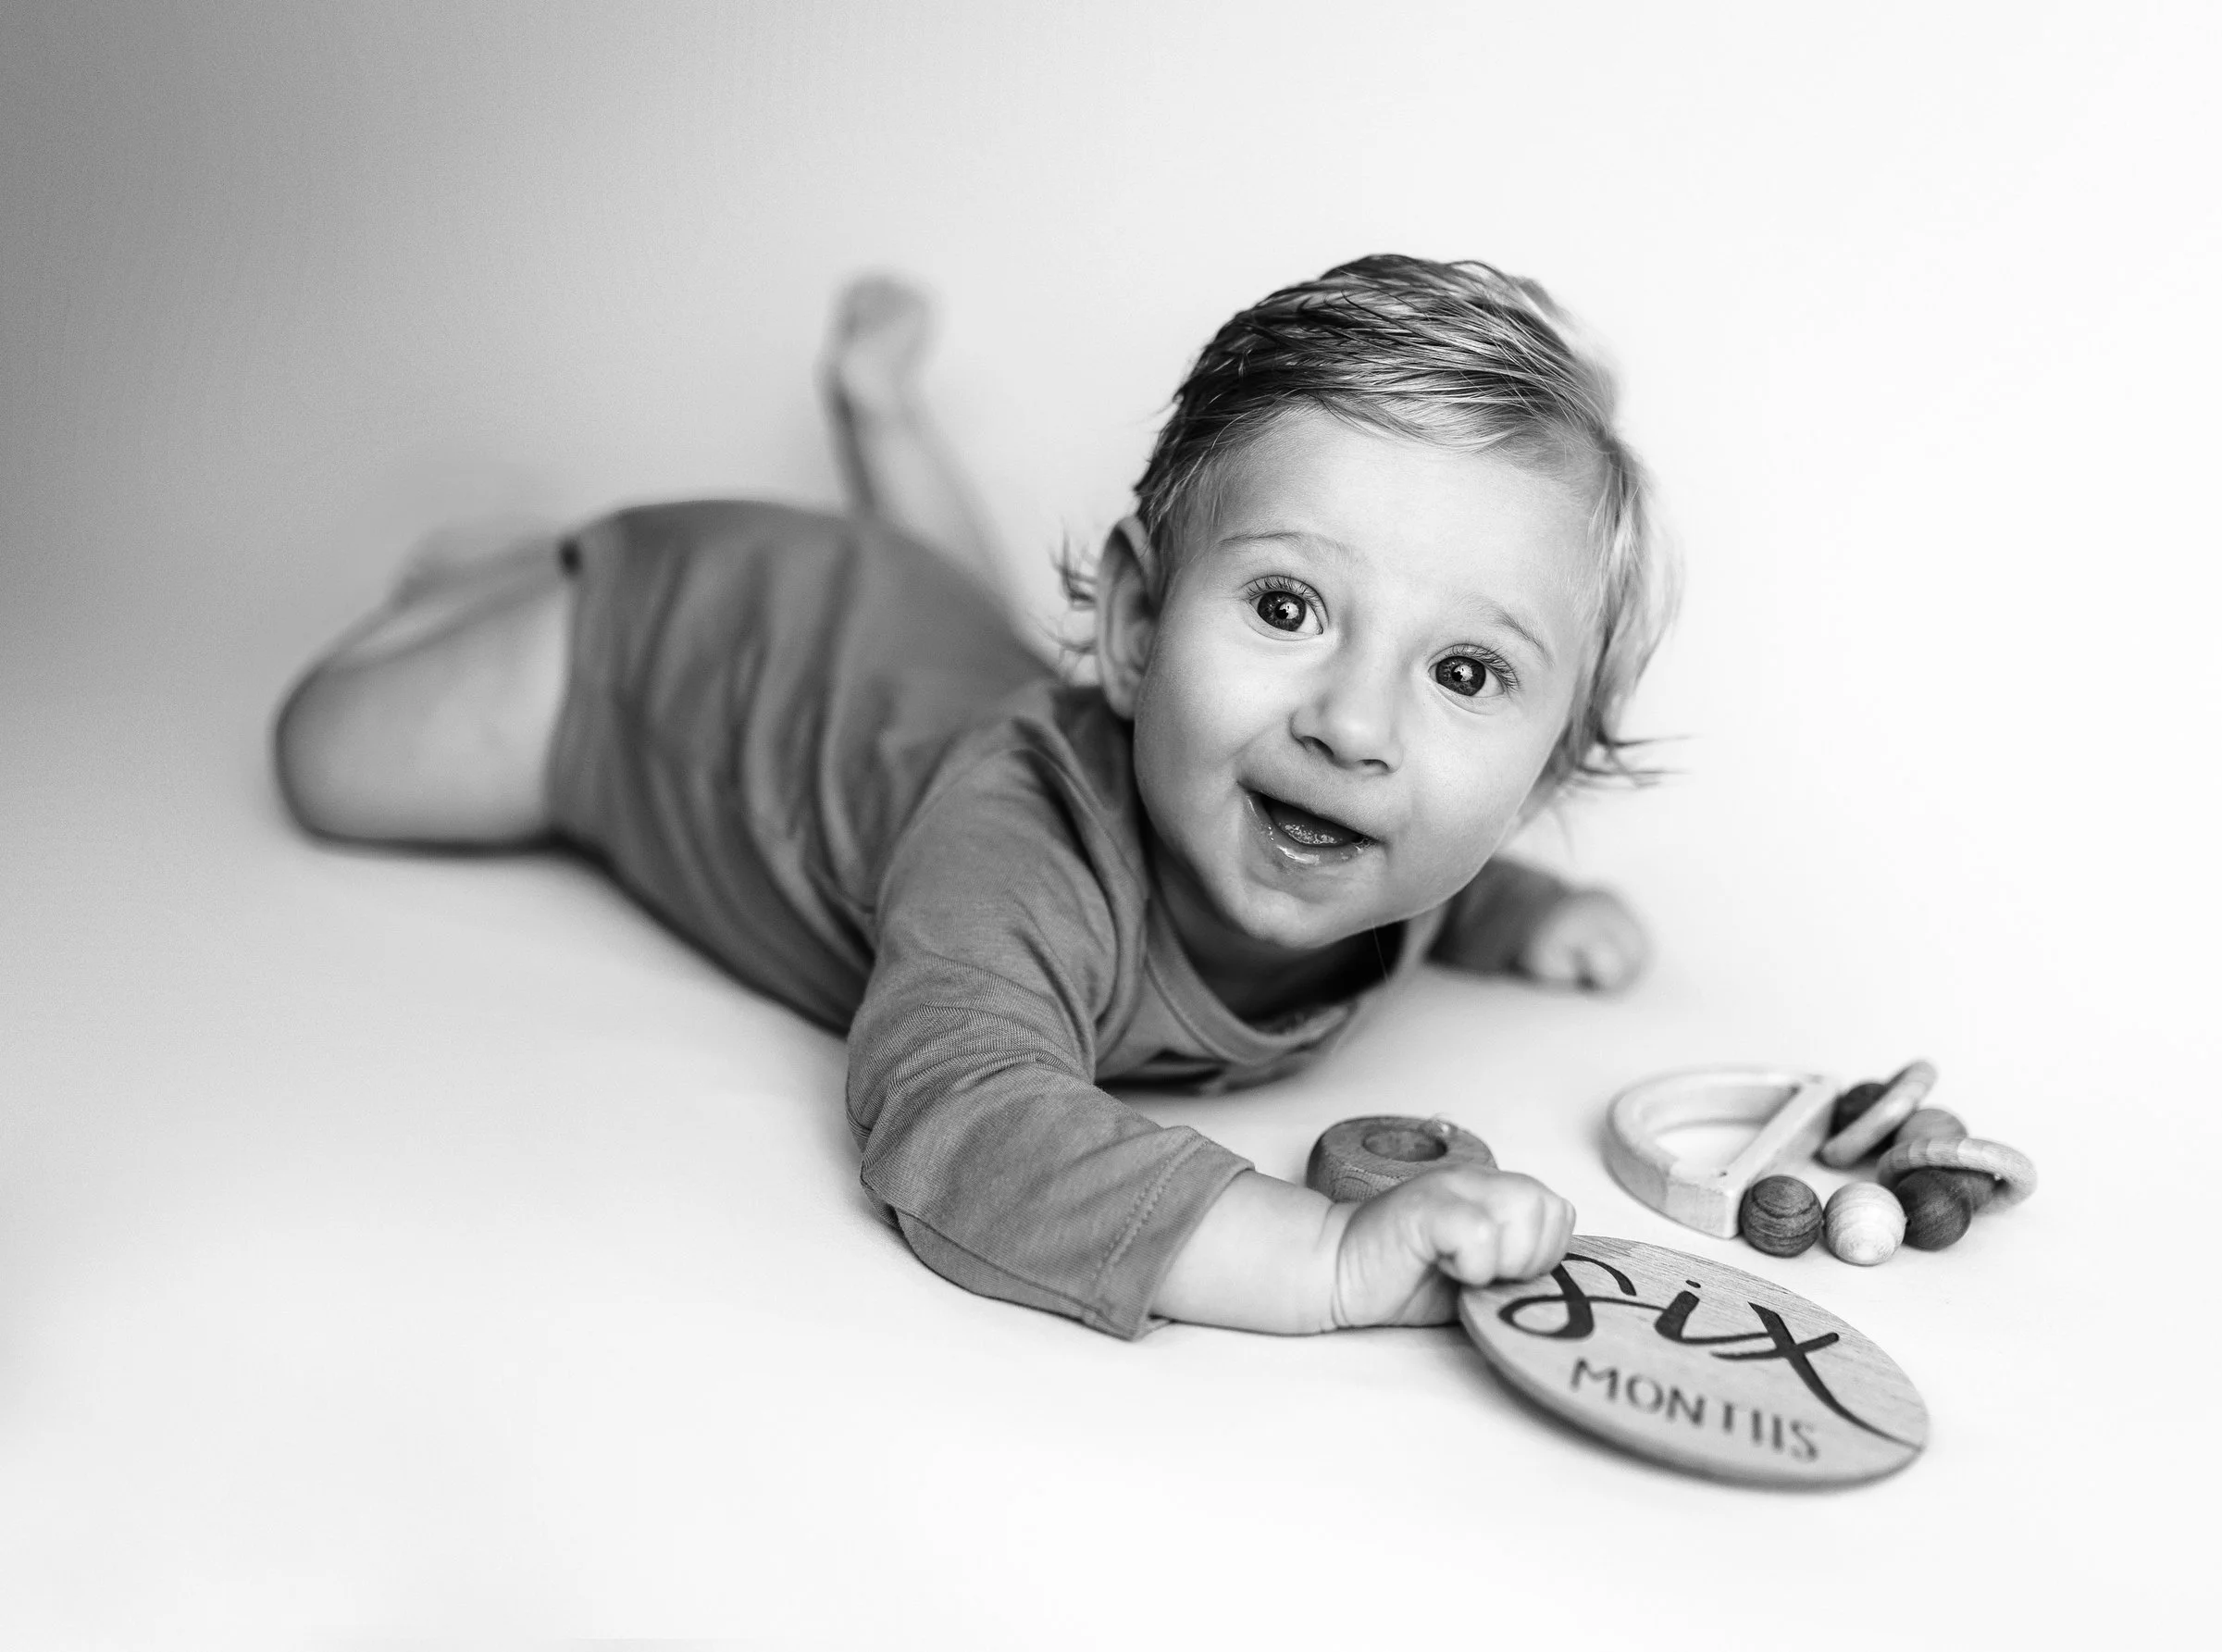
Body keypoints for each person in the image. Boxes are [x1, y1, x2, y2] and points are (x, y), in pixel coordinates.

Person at [272, 255, 1678, 1339]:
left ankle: (880, 417)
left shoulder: (1368, 813)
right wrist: (1319, 1255)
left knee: (969, 633)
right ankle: (505, 573)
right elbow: (961, 1120)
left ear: (1544, 774)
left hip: (911, 644)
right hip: (669, 644)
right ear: (1135, 626)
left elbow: (1443, 852)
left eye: (1470, 676)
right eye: (1291, 603)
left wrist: (1518, 913)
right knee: (332, 758)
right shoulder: (1020, 848)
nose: (1357, 722)